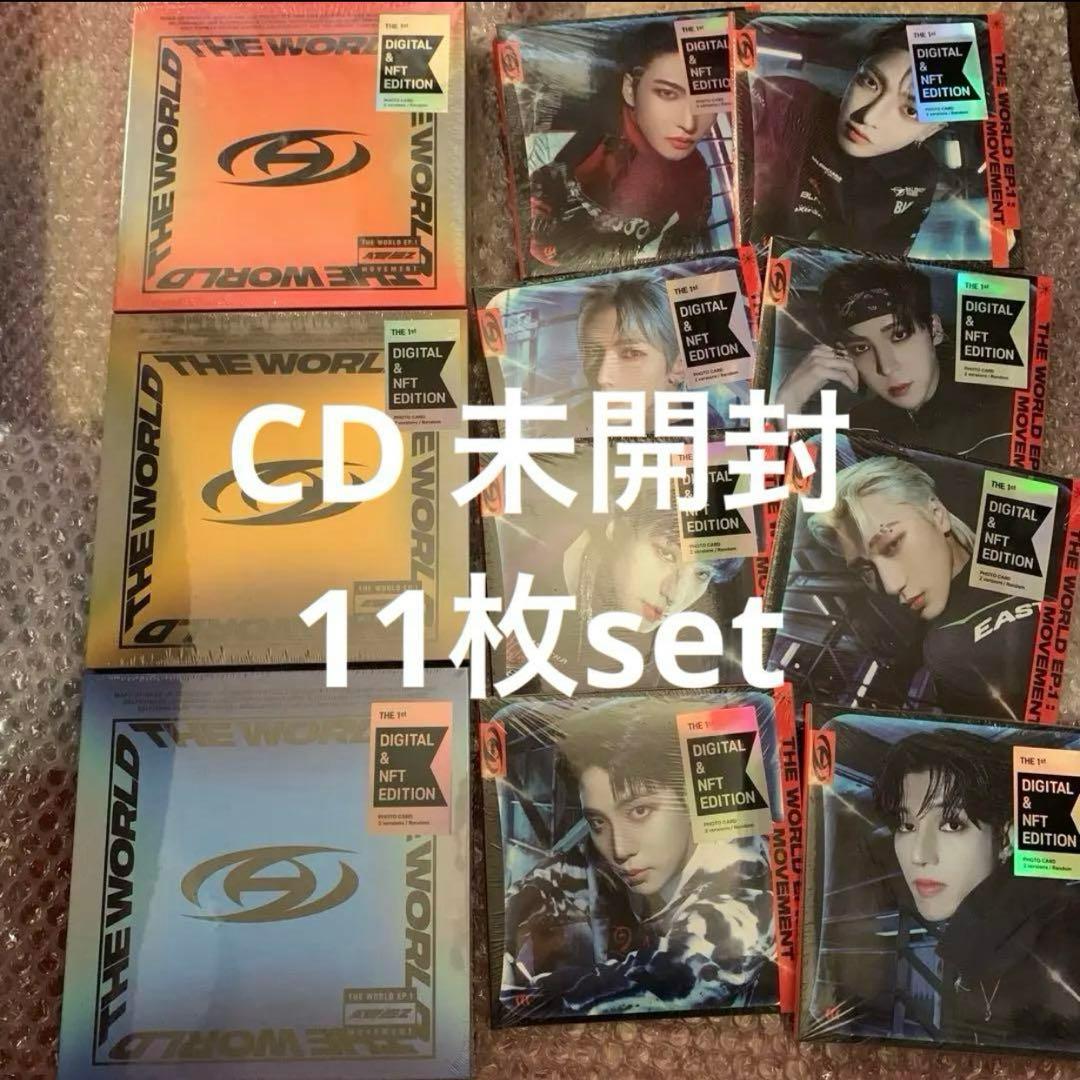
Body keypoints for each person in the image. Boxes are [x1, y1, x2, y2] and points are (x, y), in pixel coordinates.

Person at [500, 699, 777, 1019]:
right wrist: (504, 938)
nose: (619, 850)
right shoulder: (613, 856)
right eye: (598, 822)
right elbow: (550, 880)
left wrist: (520, 996)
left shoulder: (745, 887)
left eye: (639, 811)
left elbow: (663, 982)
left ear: (690, 799)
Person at [872, 728, 1080, 1046]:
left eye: (952, 824)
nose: (919, 855)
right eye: (906, 825)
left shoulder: (1063, 939)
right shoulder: (974, 944)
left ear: (1005, 838)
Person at [806, 455, 1040, 717]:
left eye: (892, 544)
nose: (891, 585)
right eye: (864, 569)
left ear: (937, 515)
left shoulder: (1021, 520)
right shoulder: (945, 651)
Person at [529, 20, 719, 270]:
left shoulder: (694, 180)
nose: (689, 123)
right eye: (668, 93)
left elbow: (679, 265)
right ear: (630, 89)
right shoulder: (585, 114)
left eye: (705, 102)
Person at [775, 260, 1006, 458]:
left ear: (934, 330)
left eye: (899, 335)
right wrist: (788, 403)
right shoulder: (863, 426)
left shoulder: (999, 413)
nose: (886, 367)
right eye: (862, 348)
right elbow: (810, 488)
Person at [750, 23, 946, 255]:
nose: (869, 117)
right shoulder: (787, 103)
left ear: (931, 130)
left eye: (911, 110)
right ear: (855, 74)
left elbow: (887, 260)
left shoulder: (919, 173)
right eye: (871, 82)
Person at [559, 502, 746, 685]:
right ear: (616, 526)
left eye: (702, 574)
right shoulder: (546, 568)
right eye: (666, 554)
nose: (674, 595)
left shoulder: (687, 649)